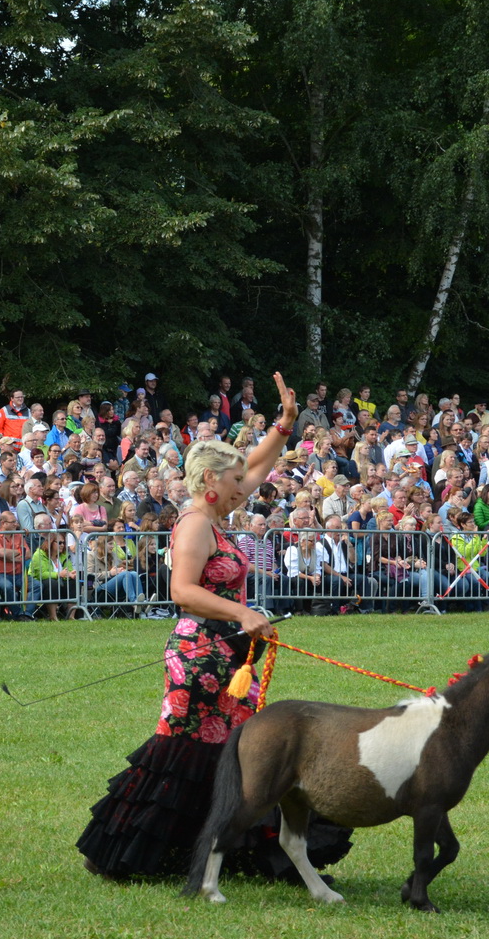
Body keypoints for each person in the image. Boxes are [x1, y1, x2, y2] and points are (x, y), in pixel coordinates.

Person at [77, 373, 352, 882]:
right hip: (199, 653)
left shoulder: (215, 514)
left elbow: (255, 471)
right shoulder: (194, 523)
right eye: (232, 482)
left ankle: (241, 854)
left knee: (234, 753)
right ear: (209, 483)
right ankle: (131, 852)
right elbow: (183, 591)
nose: (242, 489)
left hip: (227, 654)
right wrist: (245, 614)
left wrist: (284, 428)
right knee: (187, 749)